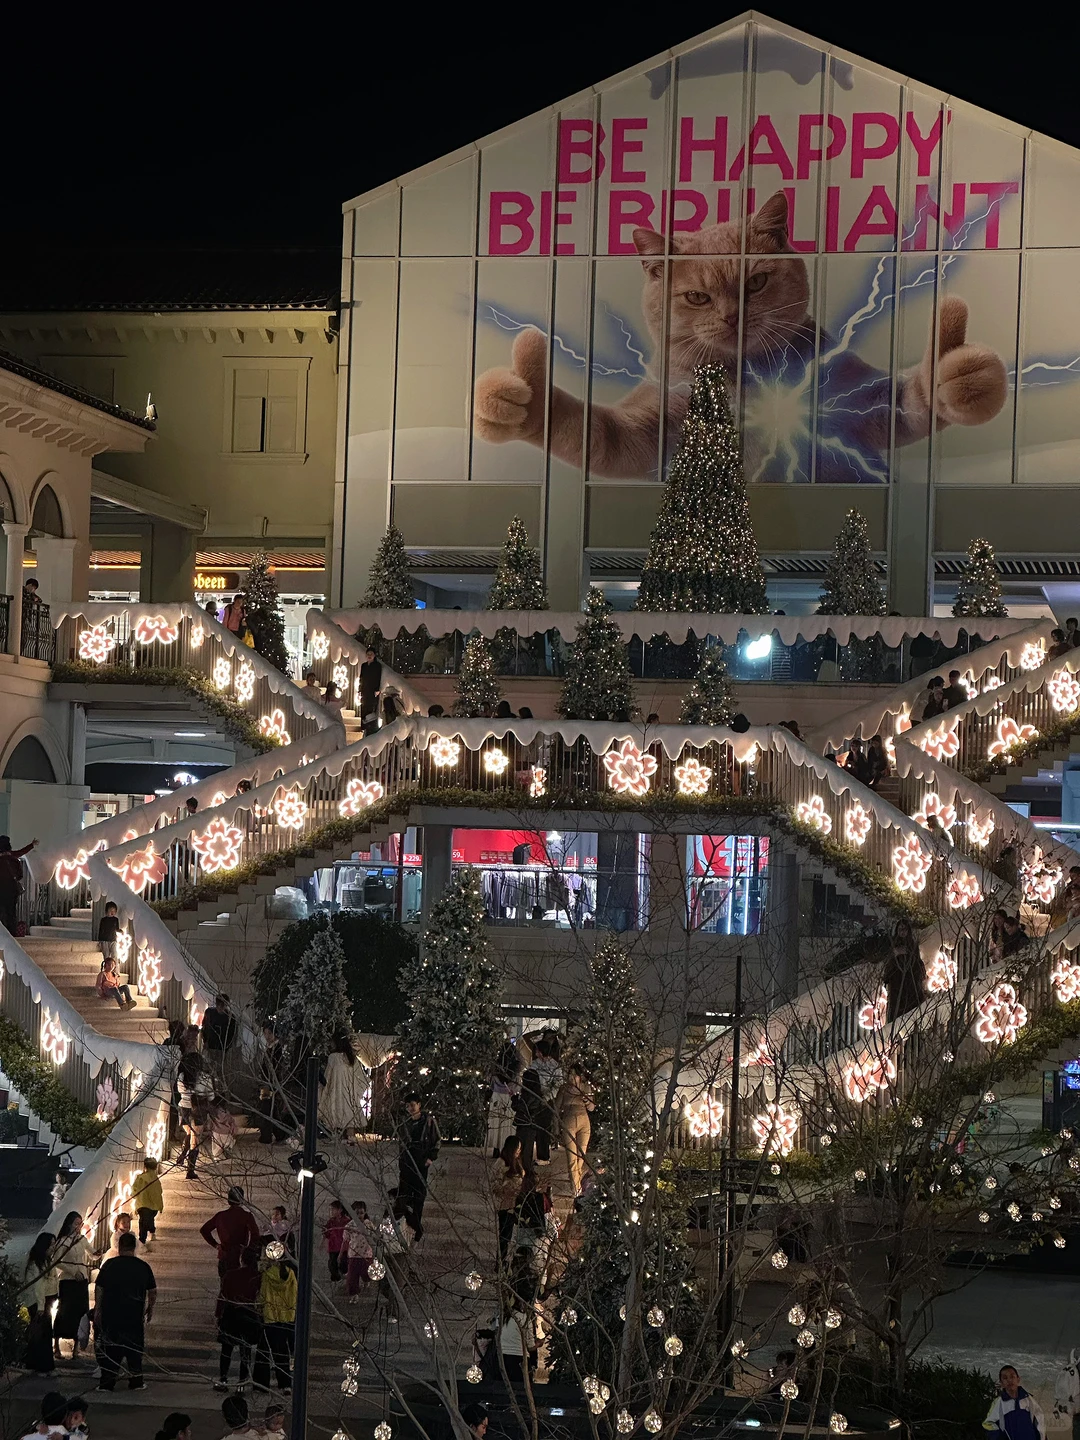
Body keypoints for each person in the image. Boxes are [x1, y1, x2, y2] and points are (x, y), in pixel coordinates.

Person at [93, 1231, 156, 1391]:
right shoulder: (143, 1267)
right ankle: (136, 1381)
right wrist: (150, 1308)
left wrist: (98, 1309)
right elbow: (152, 1291)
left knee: (111, 1350)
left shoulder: (109, 1265)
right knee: (134, 1350)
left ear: (120, 1247)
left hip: (111, 1315)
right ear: (134, 1247)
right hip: (133, 1315)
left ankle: (107, 1383)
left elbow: (99, 1287)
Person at [215, 1247, 262, 1393]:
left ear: (242, 1259)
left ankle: (223, 1379)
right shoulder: (257, 1276)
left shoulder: (230, 1275)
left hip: (230, 1313)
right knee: (245, 1351)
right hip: (248, 1313)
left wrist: (218, 1315)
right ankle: (242, 1383)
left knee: (226, 1349)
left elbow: (222, 1296)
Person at [398, 1092, 440, 1241]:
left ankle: (416, 1227)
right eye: (408, 1106)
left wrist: (430, 1158)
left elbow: (436, 1140)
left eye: (413, 1105)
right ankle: (406, 1226)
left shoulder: (428, 1121)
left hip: (421, 1161)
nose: (410, 1108)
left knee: (418, 1196)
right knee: (404, 1195)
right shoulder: (405, 1121)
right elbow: (401, 1142)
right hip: (407, 1161)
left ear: (419, 1105)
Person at [52, 1211, 94, 1360]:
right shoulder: (63, 1241)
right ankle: (56, 1345)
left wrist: (98, 1254)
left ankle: (76, 1348)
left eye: (80, 1223)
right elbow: (58, 1261)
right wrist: (72, 1271)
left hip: (81, 1281)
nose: (79, 1226)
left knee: (80, 1312)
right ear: (69, 1224)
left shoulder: (81, 1239)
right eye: (76, 1223)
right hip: (68, 1281)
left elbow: (92, 1253)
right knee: (64, 1312)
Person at [201, 1188, 261, 1277]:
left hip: (224, 1255)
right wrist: (249, 1249)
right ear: (241, 1200)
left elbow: (204, 1230)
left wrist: (216, 1245)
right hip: (240, 1256)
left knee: (225, 1286)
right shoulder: (246, 1216)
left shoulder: (220, 1216)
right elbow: (255, 1235)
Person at [320, 1033, 367, 1142]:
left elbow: (328, 1074)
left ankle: (336, 1135)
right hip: (349, 1090)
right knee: (349, 1112)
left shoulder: (333, 1057)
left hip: (336, 1090)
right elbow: (359, 1076)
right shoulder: (351, 1058)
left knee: (335, 1110)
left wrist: (324, 1086)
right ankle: (351, 1137)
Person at [22, 1231, 58, 1373]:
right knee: (42, 1335)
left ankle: (35, 1364)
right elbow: (37, 1287)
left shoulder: (46, 1260)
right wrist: (41, 1307)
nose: (53, 1247)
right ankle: (43, 1366)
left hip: (45, 1300)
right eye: (52, 1245)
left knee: (43, 1334)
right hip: (38, 1302)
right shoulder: (35, 1264)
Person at [557, 1063, 594, 1196]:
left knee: (580, 1157)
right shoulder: (564, 1089)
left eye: (574, 1075)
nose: (571, 1077)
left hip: (584, 1122)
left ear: (580, 1076)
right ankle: (576, 1190)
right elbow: (556, 1109)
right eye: (569, 1074)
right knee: (571, 1158)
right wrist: (556, 1127)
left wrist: (587, 1100)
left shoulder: (585, 1088)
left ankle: (576, 1185)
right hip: (568, 1122)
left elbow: (592, 1108)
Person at [984, 1365, 1044, 1440]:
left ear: (1018, 1379)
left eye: (1012, 1377)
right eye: (1005, 1378)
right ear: (1001, 1383)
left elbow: (1040, 1422)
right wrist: (999, 1437)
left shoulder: (1029, 1400)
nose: (1009, 1380)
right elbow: (988, 1424)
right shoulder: (999, 1403)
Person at [883, 919, 925, 1021]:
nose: (902, 932)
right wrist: (895, 954)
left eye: (905, 929)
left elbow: (917, 963)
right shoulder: (893, 944)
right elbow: (888, 963)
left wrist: (908, 954)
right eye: (900, 929)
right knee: (897, 1008)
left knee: (910, 1008)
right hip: (896, 981)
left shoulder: (912, 945)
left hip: (910, 982)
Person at [491, 1136, 525, 1262]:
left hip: (516, 1202)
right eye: (517, 1148)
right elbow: (494, 1184)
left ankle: (505, 1259)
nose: (519, 1151)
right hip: (505, 1204)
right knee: (504, 1235)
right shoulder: (501, 1163)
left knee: (509, 1235)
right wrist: (507, 1188)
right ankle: (500, 1260)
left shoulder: (517, 1162)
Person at [487, 1039, 521, 1155]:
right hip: (509, 1096)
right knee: (507, 1124)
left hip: (496, 1096)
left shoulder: (496, 1065)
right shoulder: (516, 1067)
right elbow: (518, 1085)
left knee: (496, 1122)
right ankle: (507, 1148)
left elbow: (491, 1082)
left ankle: (496, 1148)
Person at [257, 1023, 287, 1145]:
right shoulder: (270, 1047)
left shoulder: (277, 1048)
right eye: (265, 1033)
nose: (267, 1036)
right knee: (271, 1108)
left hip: (271, 1082)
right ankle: (278, 1133)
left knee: (267, 1107)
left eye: (269, 1033)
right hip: (267, 1080)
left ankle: (267, 1135)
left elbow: (276, 1067)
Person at [0, 833, 37, 932]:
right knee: (11, 911)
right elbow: (20, 874)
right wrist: (32, 845)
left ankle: (2, 933)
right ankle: (12, 932)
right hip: (12, 889)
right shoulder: (13, 858)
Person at [513, 1068, 549, 1171]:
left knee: (524, 1153)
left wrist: (515, 1100)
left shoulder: (529, 1095)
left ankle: (526, 1174)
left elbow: (523, 1108)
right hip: (528, 1125)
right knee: (524, 1152)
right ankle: (524, 1172)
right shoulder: (536, 1095)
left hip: (526, 1125)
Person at [340, 1200, 374, 1302]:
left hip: (366, 1254)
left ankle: (366, 1280)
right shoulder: (349, 1225)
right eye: (356, 1213)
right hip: (353, 1254)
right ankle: (354, 1295)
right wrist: (341, 1254)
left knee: (366, 1272)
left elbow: (375, 1236)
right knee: (352, 1277)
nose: (359, 1216)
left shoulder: (368, 1224)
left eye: (361, 1213)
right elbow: (345, 1241)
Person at [132, 1156, 164, 1246]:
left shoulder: (141, 1178)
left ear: (145, 1167)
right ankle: (152, 1231)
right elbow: (159, 1192)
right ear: (155, 1167)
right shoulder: (156, 1180)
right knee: (149, 1219)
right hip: (154, 1206)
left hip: (142, 1204)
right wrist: (160, 1206)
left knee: (142, 1222)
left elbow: (135, 1189)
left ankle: (142, 1240)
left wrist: (133, 1195)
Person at [202, 993, 237, 1069]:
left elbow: (231, 1035)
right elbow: (205, 1027)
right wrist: (205, 1041)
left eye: (223, 1005)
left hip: (222, 1048)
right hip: (210, 1046)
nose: (220, 1007)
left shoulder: (230, 1017)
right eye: (219, 1004)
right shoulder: (210, 1013)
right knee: (207, 1067)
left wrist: (226, 1048)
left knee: (219, 1069)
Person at [358, 646, 382, 735]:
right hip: (364, 689)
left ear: (374, 655)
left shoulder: (377, 666)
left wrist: (377, 689)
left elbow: (378, 677)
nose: (369, 656)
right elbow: (361, 677)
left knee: (371, 708)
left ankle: (371, 728)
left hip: (373, 690)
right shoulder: (364, 665)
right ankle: (363, 727)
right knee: (363, 707)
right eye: (368, 654)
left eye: (371, 654)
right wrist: (359, 689)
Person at [324, 1200, 349, 1283]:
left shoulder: (346, 1221)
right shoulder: (331, 1222)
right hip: (333, 1247)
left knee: (343, 1263)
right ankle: (336, 1278)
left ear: (340, 1210)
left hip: (344, 1247)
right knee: (332, 1264)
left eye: (333, 1209)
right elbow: (326, 1233)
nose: (331, 1211)